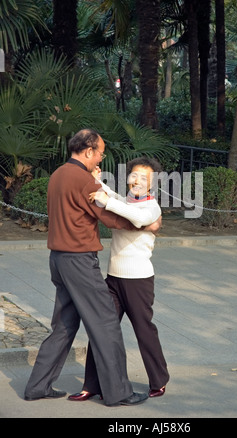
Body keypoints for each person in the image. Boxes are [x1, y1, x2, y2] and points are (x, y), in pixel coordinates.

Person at [24, 129, 160, 406]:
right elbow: (111, 218)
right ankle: (118, 392)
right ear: (88, 151)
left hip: (58, 260)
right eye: (100, 152)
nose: (101, 157)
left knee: (63, 325)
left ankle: (37, 386)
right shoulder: (83, 180)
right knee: (106, 323)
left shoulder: (58, 174)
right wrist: (148, 223)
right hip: (79, 261)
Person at [68, 157, 169, 403]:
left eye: (144, 178)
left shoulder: (152, 208)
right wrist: (96, 182)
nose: (137, 180)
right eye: (134, 175)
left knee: (144, 330)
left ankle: (159, 380)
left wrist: (107, 201)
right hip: (113, 278)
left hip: (139, 281)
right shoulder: (126, 201)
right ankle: (91, 384)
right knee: (100, 329)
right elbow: (114, 197)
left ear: (153, 183)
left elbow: (135, 217)